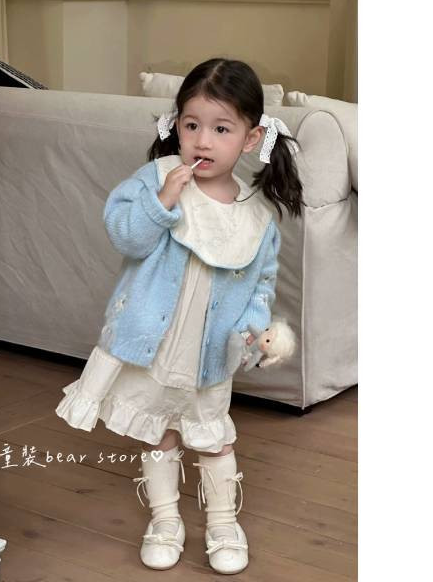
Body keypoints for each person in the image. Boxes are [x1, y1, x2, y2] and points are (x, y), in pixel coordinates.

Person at [55, 58, 304, 575]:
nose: (203, 141)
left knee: (213, 435)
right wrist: (163, 200)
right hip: (155, 344)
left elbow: (261, 281)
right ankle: (165, 520)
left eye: (221, 129)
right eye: (192, 125)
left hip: (207, 353)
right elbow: (126, 236)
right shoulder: (157, 179)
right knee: (158, 431)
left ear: (251, 138)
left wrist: (256, 329)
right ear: (177, 126)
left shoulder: (256, 214)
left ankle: (223, 524)